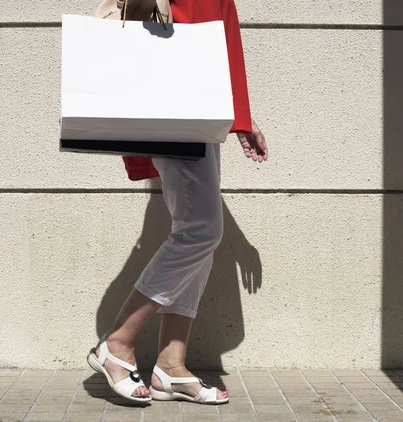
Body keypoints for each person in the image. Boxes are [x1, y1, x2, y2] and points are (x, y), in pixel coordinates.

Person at [87, 0, 268, 404]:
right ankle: (118, 342)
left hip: (196, 91)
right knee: (202, 231)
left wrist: (238, 114)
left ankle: (171, 364)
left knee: (197, 231)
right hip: (171, 89)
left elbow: (218, 25)